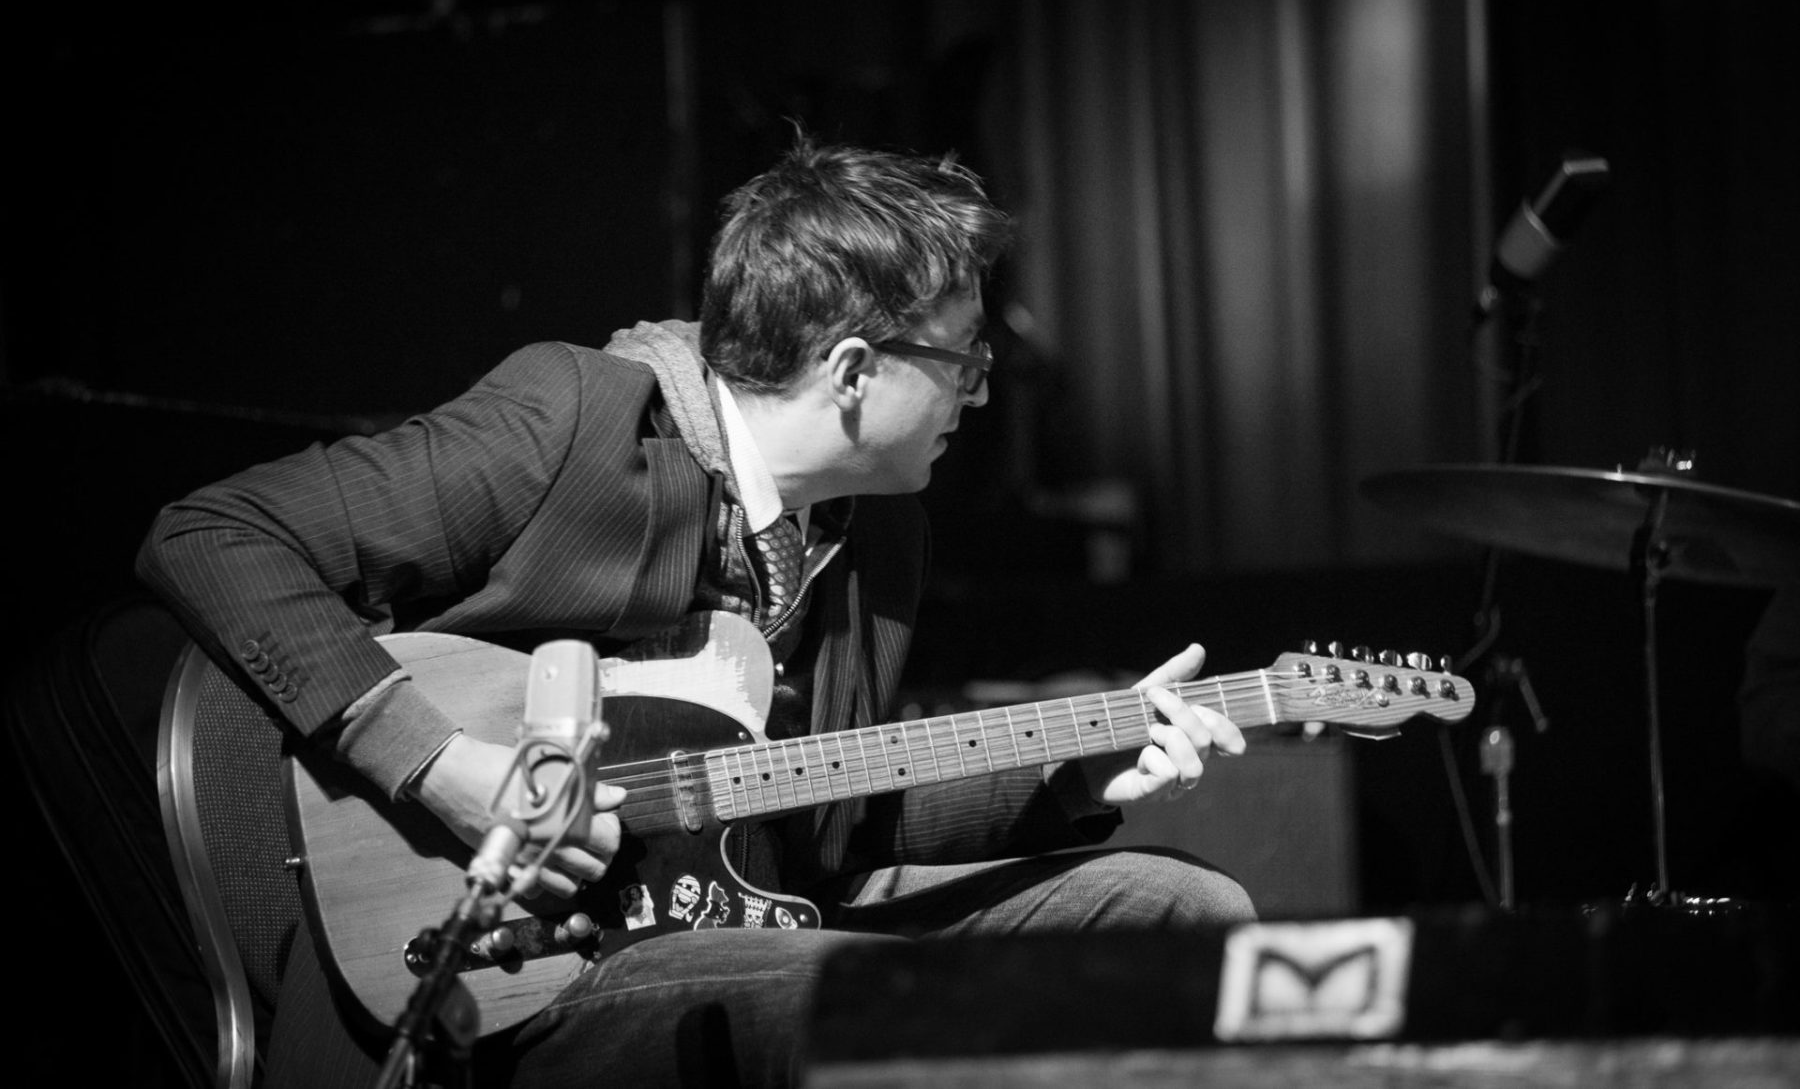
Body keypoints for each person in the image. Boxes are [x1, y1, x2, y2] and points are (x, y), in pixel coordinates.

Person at [137, 137, 1254, 1087]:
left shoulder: (880, 526)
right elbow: (214, 535)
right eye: (966, 358)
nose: (983, 390)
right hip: (540, 952)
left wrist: (1084, 766)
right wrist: (439, 764)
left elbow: (836, 825)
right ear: (855, 369)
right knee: (853, 993)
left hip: (757, 913)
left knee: (1183, 910)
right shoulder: (574, 420)